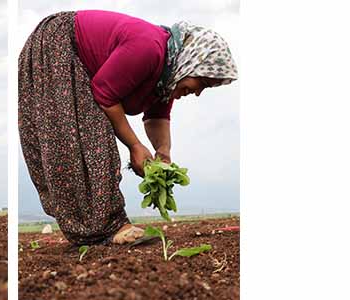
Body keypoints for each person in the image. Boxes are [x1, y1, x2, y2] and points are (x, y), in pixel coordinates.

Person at [18, 10, 238, 246]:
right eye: (201, 83)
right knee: (88, 136)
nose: (197, 92)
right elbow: (105, 94)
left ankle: (99, 229)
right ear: (191, 61)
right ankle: (107, 229)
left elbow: (157, 116)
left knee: (90, 133)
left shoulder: (166, 77)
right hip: (57, 44)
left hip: (66, 49)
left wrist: (163, 153)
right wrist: (134, 145)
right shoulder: (150, 48)